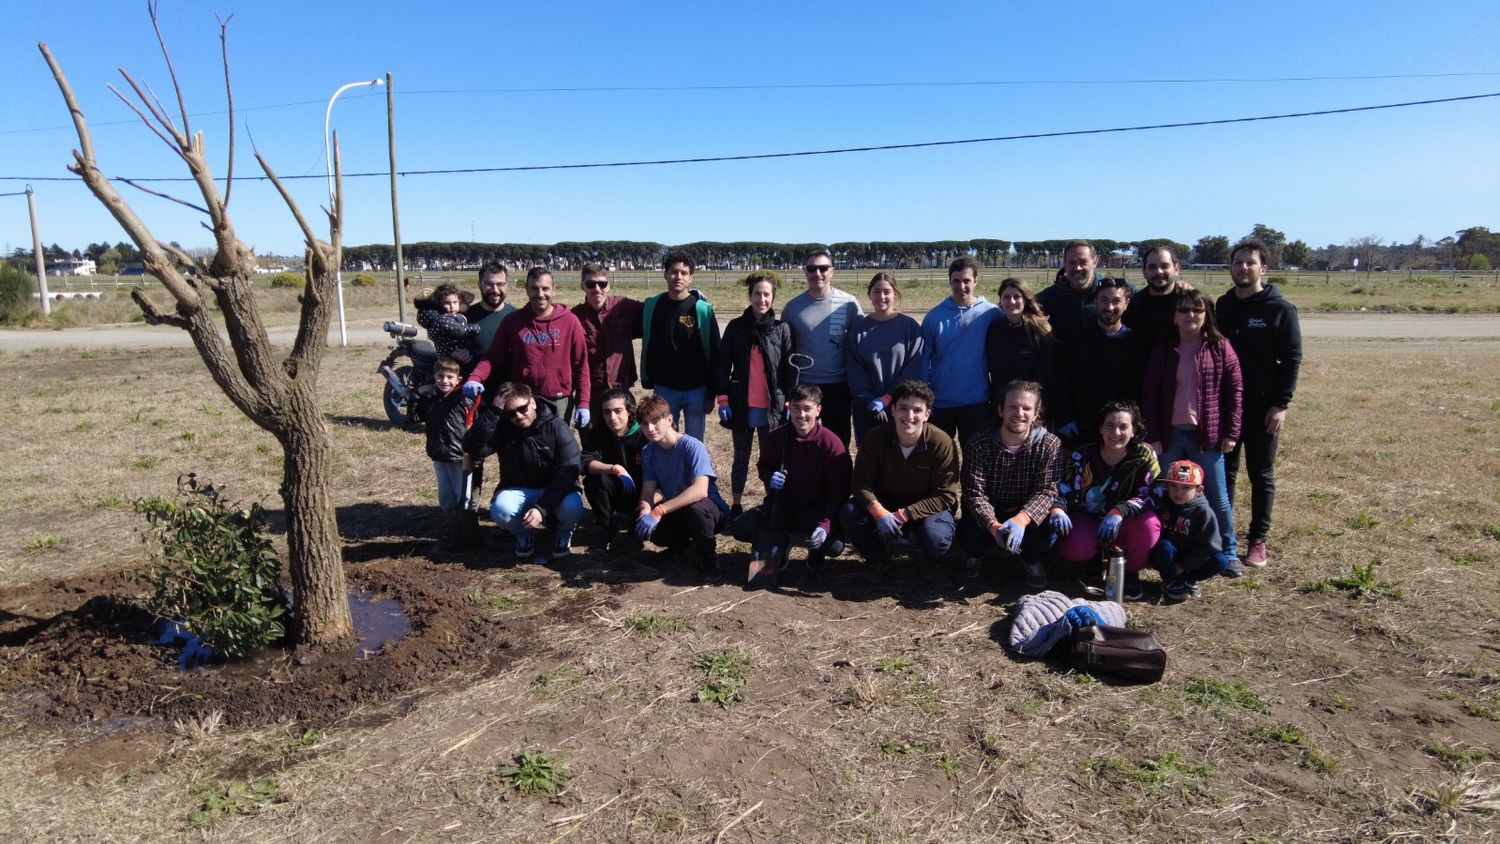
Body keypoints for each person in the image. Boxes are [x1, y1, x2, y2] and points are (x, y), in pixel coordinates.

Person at [1140, 288, 1243, 572]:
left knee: (1216, 495)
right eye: (1183, 310)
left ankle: (1229, 551)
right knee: (1163, 493)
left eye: (1197, 310)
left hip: (1206, 436)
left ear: (1206, 314)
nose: (1190, 315)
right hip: (1170, 435)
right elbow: (1149, 392)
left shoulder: (1220, 347)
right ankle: (1163, 550)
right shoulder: (1165, 348)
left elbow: (1234, 391)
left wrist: (1231, 432)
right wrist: (1153, 435)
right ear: (1174, 317)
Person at [1216, 240, 1302, 568]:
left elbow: (1292, 359)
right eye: (1238, 262)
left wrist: (1280, 404)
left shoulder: (1280, 309)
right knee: (1226, 472)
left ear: (1262, 268)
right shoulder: (1223, 306)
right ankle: (1226, 537)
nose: (1243, 268)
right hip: (1227, 405)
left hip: (1263, 406)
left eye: (1250, 263)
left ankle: (1258, 540)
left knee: (1261, 473)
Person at [839, 380, 960, 579]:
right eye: (903, 408)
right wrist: (878, 511)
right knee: (849, 513)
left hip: (926, 506)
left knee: (937, 538)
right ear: (893, 410)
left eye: (917, 410)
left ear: (927, 414)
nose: (909, 416)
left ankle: (924, 559)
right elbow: (860, 482)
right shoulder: (875, 437)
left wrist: (905, 514)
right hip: (886, 502)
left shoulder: (941, 442)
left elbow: (945, 495)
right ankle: (878, 560)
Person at [1049, 400, 1162, 600]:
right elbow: (1065, 487)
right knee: (1074, 546)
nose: (1116, 432)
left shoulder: (1144, 455)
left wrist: (1119, 511)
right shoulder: (1082, 455)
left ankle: (1130, 573)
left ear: (1134, 430)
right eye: (1110, 425)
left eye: (1123, 427)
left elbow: (1149, 494)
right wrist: (1057, 508)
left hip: (1127, 521)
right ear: (1100, 428)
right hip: (1090, 518)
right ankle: (1095, 557)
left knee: (1149, 526)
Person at [732, 384, 852, 570]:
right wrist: (769, 477)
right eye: (796, 408)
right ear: (789, 408)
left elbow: (839, 493)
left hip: (816, 510)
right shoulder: (776, 437)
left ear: (818, 410)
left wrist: (825, 525)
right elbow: (763, 466)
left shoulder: (832, 444)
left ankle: (815, 549)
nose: (801, 415)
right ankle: (783, 540)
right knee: (741, 527)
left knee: (834, 546)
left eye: (807, 409)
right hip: (782, 506)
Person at [956, 380, 1062, 588]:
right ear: (1000, 410)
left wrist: (1022, 519)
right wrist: (994, 526)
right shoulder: (979, 443)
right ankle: (976, 556)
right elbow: (974, 493)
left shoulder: (1050, 444)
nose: (1019, 413)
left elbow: (1046, 490)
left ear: (1036, 413)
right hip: (991, 510)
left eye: (1026, 408)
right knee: (969, 536)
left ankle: (1031, 560)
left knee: (1046, 537)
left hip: (1025, 513)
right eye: (1012, 407)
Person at [462, 381, 584, 561]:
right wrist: (493, 413)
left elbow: (569, 470)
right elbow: (473, 448)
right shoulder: (503, 427)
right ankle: (523, 534)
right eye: (510, 413)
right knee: (501, 510)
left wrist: (542, 508)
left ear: (533, 402)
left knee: (573, 505)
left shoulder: (556, 426)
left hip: (555, 488)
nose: (518, 416)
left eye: (523, 408)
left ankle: (563, 533)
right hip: (519, 487)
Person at [465, 268, 591, 429]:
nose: (540, 294)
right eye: (534, 288)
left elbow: (581, 365)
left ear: (554, 289)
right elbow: (493, 357)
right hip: (523, 399)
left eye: (545, 288)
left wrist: (583, 403)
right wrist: (475, 378)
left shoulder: (570, 321)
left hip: (559, 400)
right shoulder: (512, 321)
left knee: (556, 449)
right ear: (526, 289)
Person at [716, 271, 795, 519]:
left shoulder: (782, 329)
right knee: (741, 457)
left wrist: (789, 401)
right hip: (741, 405)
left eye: (766, 294)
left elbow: (788, 368)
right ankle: (736, 505)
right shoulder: (736, 328)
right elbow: (722, 365)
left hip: (772, 407)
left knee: (770, 459)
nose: (762, 299)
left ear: (773, 297)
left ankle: (772, 502)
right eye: (757, 294)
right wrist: (723, 399)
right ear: (750, 296)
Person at [634, 394, 726, 580]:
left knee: (696, 509)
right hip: (677, 509)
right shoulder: (648, 451)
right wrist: (645, 509)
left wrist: (658, 511)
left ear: (670, 420)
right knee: (644, 524)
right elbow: (648, 490)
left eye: (655, 421)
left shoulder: (692, 446)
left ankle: (709, 560)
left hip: (709, 511)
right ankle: (680, 547)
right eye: (644, 423)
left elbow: (700, 490)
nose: (650, 428)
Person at [1052, 277, 1147, 444]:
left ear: (1127, 303)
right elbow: (1060, 381)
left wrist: (1131, 423)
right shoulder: (1076, 341)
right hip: (1080, 431)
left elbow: (1137, 390)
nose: (1110, 307)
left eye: (1116, 301)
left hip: (1118, 433)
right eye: (1104, 300)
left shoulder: (1135, 344)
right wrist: (1064, 419)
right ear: (1095, 301)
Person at [783, 249, 863, 448]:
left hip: (839, 386)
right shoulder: (792, 308)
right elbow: (784, 349)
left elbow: (861, 343)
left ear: (832, 271)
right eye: (812, 269)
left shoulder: (849, 304)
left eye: (823, 268)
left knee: (838, 442)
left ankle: (839, 478)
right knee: (803, 442)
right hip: (805, 385)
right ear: (805, 272)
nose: (817, 273)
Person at [640, 252, 721, 442]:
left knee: (694, 442)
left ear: (691, 278)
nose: (678, 277)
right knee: (665, 439)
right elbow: (648, 342)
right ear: (665, 274)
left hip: (697, 389)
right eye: (673, 271)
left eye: (684, 273)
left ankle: (694, 472)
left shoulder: (702, 309)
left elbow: (716, 352)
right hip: (664, 388)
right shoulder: (653, 306)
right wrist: (648, 377)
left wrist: (711, 392)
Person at [920, 256, 1000, 445]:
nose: (961, 286)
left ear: (976, 281)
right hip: (940, 401)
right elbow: (923, 359)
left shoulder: (992, 314)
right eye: (956, 281)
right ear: (950, 282)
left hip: (976, 401)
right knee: (939, 455)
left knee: (974, 456)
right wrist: (924, 394)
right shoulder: (934, 317)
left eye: (966, 281)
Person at [844, 272, 926, 444]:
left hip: (901, 406)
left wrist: (889, 398)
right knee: (870, 456)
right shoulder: (859, 329)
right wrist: (869, 400)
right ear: (869, 294)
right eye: (876, 291)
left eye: (887, 291)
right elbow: (855, 371)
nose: (881, 296)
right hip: (867, 409)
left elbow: (913, 368)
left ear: (895, 294)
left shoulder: (910, 328)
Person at [573, 263, 643, 418]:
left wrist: (687, 296)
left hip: (621, 389)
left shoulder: (624, 306)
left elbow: (654, 309)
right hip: (591, 393)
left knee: (625, 438)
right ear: (582, 286)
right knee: (592, 440)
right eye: (591, 284)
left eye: (602, 284)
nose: (597, 289)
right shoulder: (575, 317)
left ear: (608, 286)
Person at [580, 387, 646, 550]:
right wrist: (614, 468)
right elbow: (585, 461)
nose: (612, 417)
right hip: (614, 490)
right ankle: (606, 527)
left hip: (644, 494)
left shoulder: (645, 433)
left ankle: (636, 526)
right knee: (594, 479)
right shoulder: (598, 432)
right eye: (607, 412)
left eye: (618, 411)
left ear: (630, 411)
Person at [1151, 459, 1226, 602]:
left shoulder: (1203, 511)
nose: (1178, 492)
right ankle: (1171, 581)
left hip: (1192, 558)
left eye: (1186, 487)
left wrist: (1184, 566)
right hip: (1169, 553)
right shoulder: (1162, 503)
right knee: (1163, 547)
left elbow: (1211, 545)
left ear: (1198, 489)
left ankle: (1188, 580)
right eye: (1173, 486)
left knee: (1220, 560)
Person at [422, 356, 475, 546]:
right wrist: (415, 396)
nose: (445, 381)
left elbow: (473, 422)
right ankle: (453, 532)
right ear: (434, 377)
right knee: (445, 498)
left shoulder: (464, 399)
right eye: (440, 376)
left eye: (450, 377)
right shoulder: (430, 398)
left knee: (464, 497)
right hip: (439, 454)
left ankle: (468, 537)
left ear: (458, 379)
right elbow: (414, 417)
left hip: (460, 456)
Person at [1037, 240, 1131, 346]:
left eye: (1083, 262)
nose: (1077, 268)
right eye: (1072, 262)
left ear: (1095, 262)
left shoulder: (1112, 291)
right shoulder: (1046, 299)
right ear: (1065, 264)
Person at [984, 277, 1056, 415]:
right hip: (1001, 406)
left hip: (1030, 407)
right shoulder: (995, 329)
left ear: (1025, 299)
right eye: (1006, 297)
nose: (1011, 301)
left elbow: (1046, 376)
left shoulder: (1040, 331)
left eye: (1017, 297)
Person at [1124, 245, 1194, 351]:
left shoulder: (1190, 302)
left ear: (1176, 269)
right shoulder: (1133, 305)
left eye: (1164, 266)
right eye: (1152, 267)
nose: (1159, 272)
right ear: (1144, 272)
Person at [463, 261, 517, 364]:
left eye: (500, 284)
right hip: (475, 379)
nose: (495, 290)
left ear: (507, 286)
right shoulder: (464, 318)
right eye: (489, 284)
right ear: (480, 285)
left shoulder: (518, 317)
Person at [414, 283, 481, 364]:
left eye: (455, 302)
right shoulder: (443, 320)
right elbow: (460, 330)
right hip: (448, 359)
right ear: (440, 304)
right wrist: (477, 328)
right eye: (447, 303)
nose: (452, 306)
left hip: (457, 354)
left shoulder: (452, 316)